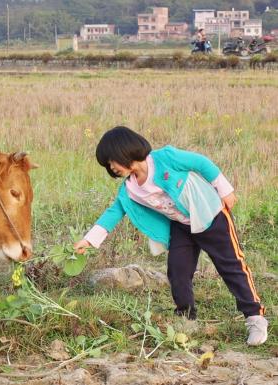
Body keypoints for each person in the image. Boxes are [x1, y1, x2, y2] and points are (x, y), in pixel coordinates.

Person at [73, 126, 268, 346]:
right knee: (178, 271)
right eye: (108, 165)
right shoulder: (129, 189)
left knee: (231, 266)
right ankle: (186, 318)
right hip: (181, 227)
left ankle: (255, 317)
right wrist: (88, 240)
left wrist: (225, 190)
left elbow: (201, 162)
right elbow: (114, 212)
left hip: (210, 216)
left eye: (111, 161)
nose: (111, 167)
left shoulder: (165, 158)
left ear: (124, 152)